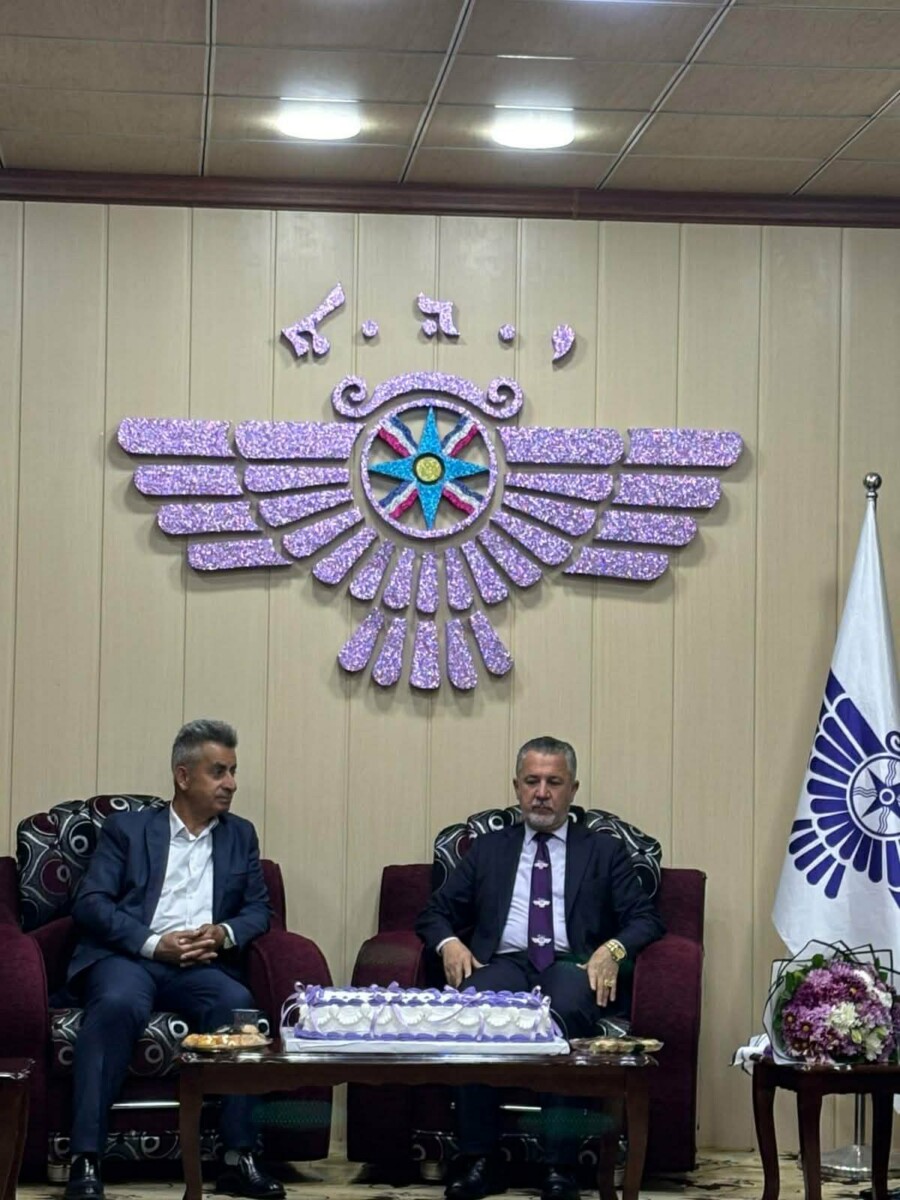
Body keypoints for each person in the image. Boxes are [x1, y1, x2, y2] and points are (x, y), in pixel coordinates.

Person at [416, 736, 664, 1200]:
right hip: (504, 963)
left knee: (559, 1013)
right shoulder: (489, 849)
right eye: (532, 782)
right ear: (517, 787)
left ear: (573, 789)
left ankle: (559, 1166)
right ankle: (479, 1160)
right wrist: (449, 944)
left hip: (572, 965)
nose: (542, 793)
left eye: (554, 782)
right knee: (473, 1009)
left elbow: (645, 918)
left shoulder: (603, 851)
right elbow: (434, 913)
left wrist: (612, 949)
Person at [63, 719, 284, 1200]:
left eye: (233, 771)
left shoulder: (240, 835)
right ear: (183, 777)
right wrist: (152, 943)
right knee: (117, 1004)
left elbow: (258, 910)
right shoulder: (128, 829)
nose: (231, 784)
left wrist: (222, 934)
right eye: (218, 772)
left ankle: (238, 1157)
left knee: (240, 1010)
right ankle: (86, 1159)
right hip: (129, 958)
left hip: (200, 966)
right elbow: (91, 903)